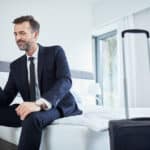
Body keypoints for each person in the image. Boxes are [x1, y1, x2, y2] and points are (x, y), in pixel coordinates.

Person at [0, 15, 82, 150]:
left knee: (32, 118)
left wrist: (39, 104)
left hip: (56, 105)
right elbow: (6, 98)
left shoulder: (55, 52)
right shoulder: (16, 66)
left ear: (35, 34)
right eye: (15, 34)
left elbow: (65, 80)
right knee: (29, 114)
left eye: (22, 33)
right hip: (29, 108)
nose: (17, 38)